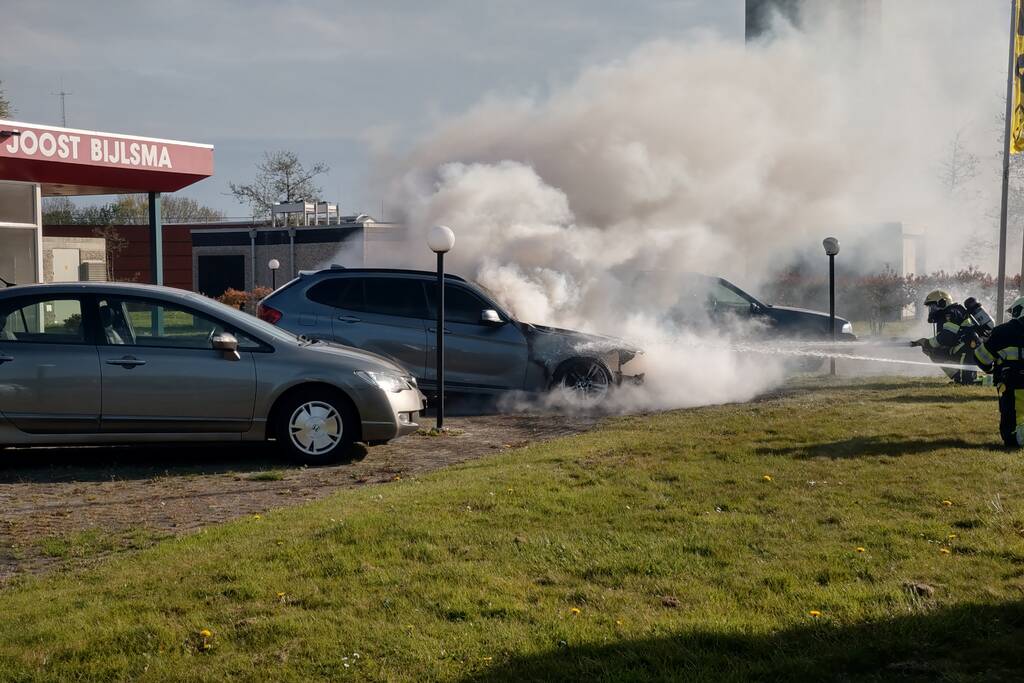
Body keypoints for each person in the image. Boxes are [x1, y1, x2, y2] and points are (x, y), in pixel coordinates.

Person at [967, 296, 1024, 447]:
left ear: (1018, 311)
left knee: (1013, 431)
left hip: (1013, 386)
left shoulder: (1002, 332)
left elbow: (982, 359)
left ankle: (1017, 438)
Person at [910, 290, 982, 385]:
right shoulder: (947, 314)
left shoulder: (951, 313)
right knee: (933, 351)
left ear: (942, 303)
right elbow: (946, 339)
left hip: (968, 347)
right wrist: (927, 345)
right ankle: (958, 377)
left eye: (933, 306)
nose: (932, 310)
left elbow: (947, 336)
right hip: (960, 347)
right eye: (930, 307)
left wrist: (927, 342)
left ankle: (969, 380)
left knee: (968, 382)